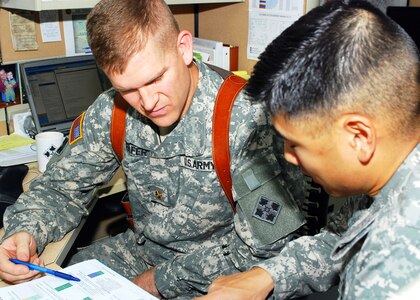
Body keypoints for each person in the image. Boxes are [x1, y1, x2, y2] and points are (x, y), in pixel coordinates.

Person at [0, 0, 309, 298]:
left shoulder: (247, 120)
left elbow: (264, 248)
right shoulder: (113, 111)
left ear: (184, 47)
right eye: (128, 89)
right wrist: (24, 233)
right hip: (145, 254)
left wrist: (157, 282)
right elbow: (59, 189)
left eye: (156, 79)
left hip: (226, 273)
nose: (147, 102)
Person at [197, 0, 420, 299]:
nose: (289, 156)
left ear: (359, 137)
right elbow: (343, 238)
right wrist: (267, 275)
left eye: (296, 144)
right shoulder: (392, 167)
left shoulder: (391, 260)